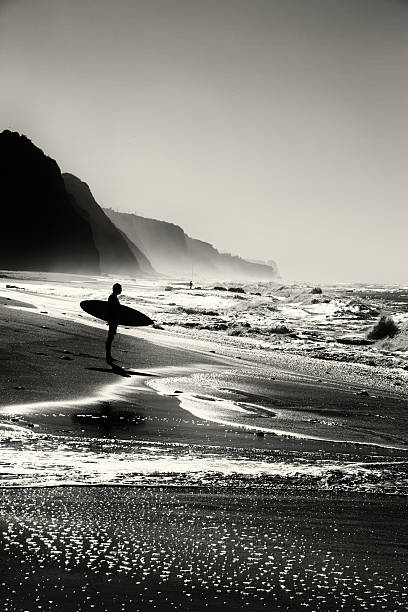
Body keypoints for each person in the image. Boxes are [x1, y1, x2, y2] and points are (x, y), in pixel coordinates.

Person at [106, 283, 122, 365]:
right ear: (116, 289)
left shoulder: (113, 297)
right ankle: (108, 356)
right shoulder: (112, 298)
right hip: (112, 321)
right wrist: (111, 320)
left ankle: (108, 355)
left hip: (113, 320)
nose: (121, 290)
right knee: (110, 337)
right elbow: (111, 310)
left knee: (110, 337)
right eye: (120, 288)